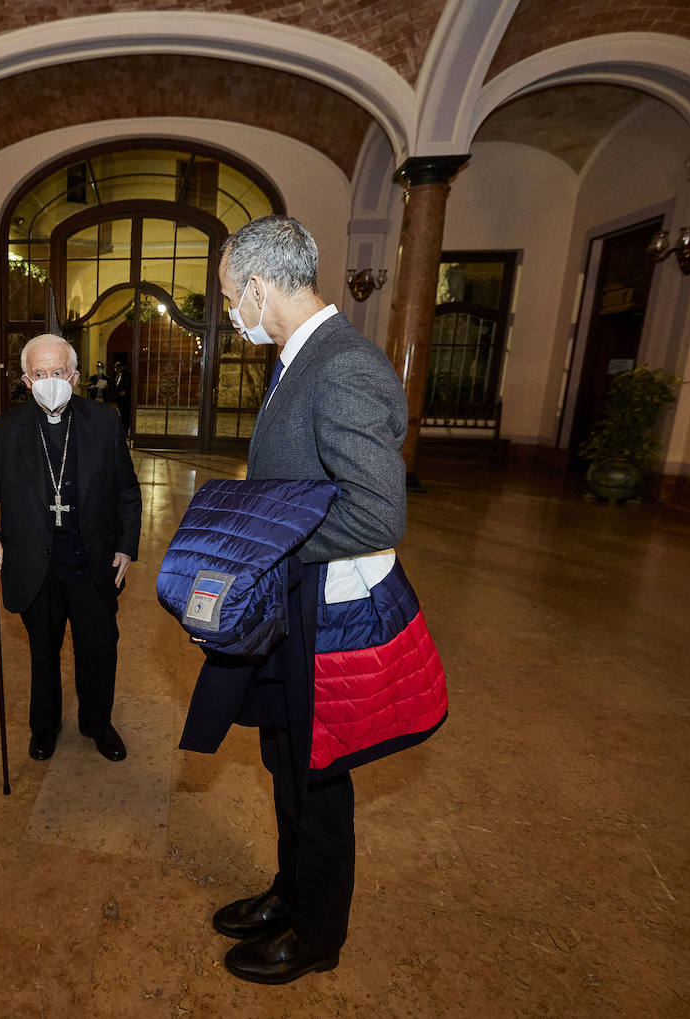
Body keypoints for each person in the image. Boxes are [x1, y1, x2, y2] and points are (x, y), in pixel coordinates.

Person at [186, 215, 446, 983]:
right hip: (290, 604)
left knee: (319, 776)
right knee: (285, 760)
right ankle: (288, 892)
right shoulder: (300, 358)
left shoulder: (343, 366)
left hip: (323, 613)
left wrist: (264, 538)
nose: (233, 312)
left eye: (233, 296)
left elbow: (374, 513)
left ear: (261, 288)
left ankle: (318, 933)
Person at [0, 334, 142, 763]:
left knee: (98, 651)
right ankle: (43, 727)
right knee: (43, 654)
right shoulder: (6, 430)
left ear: (75, 376)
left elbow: (127, 493)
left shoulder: (103, 421)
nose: (50, 381)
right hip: (34, 566)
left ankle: (98, 724)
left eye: (58, 373)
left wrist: (125, 547)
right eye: (40, 374)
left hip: (92, 563)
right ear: (27, 381)